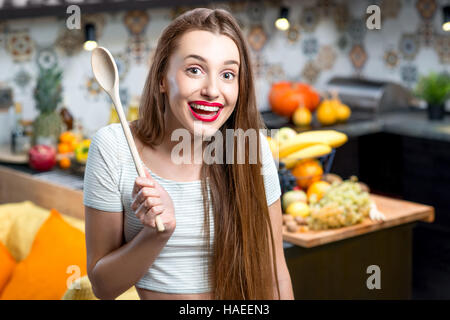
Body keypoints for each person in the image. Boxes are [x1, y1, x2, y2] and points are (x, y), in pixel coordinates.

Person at [83, 7, 294, 300]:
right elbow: (103, 287)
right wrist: (157, 234)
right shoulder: (114, 147)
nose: (212, 90)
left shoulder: (249, 149)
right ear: (161, 79)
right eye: (194, 70)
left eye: (228, 74)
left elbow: (275, 277)